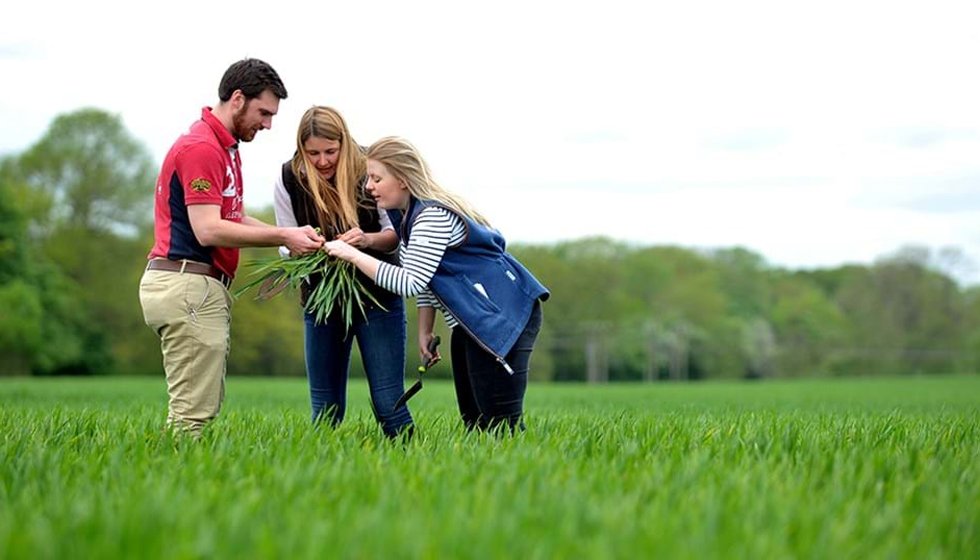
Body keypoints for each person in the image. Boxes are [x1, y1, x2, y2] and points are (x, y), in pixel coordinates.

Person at [139, 58, 325, 436]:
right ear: (237, 99)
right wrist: (284, 237)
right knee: (192, 417)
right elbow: (208, 230)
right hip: (187, 283)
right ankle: (174, 487)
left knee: (201, 407)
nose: (268, 124)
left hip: (194, 285)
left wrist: (291, 233)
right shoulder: (202, 148)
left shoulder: (223, 148)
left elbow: (232, 217)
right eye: (264, 112)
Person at [324, 137, 549, 433]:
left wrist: (352, 255)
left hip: (503, 319)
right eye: (369, 178)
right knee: (475, 422)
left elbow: (409, 282)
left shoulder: (431, 217)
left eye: (377, 178)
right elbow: (427, 279)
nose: (368, 186)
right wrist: (425, 331)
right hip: (472, 321)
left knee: (499, 426)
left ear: (403, 179)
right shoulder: (408, 216)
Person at [273, 106, 413, 438]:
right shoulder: (289, 177)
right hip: (322, 298)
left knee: (388, 401)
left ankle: (413, 463)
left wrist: (364, 240)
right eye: (313, 153)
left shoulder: (370, 168)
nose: (322, 161)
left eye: (330, 151)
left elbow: (395, 234)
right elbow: (284, 238)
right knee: (325, 407)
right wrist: (304, 246)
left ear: (344, 142)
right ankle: (320, 472)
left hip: (378, 296)